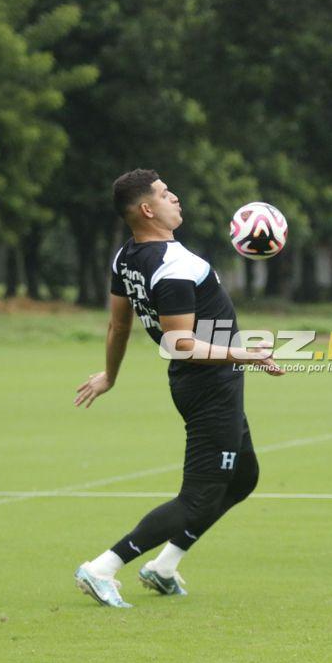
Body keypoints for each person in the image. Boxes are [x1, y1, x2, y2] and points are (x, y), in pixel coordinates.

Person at [72, 169, 284, 608]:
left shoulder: (125, 258)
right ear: (148, 209)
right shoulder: (172, 266)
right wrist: (243, 354)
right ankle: (103, 567)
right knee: (198, 496)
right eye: (167, 194)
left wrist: (109, 375)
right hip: (209, 385)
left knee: (243, 478)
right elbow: (180, 343)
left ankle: (164, 566)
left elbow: (118, 323)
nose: (176, 199)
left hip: (207, 381)